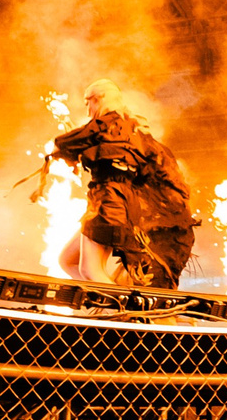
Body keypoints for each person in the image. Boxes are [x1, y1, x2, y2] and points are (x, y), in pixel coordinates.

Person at [50, 79, 195, 288]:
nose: (88, 109)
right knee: (67, 260)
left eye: (88, 102)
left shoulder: (110, 124)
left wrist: (66, 148)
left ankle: (122, 307)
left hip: (109, 204)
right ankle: (110, 301)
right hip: (112, 205)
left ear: (98, 99)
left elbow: (69, 141)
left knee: (89, 269)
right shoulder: (123, 134)